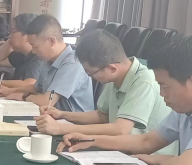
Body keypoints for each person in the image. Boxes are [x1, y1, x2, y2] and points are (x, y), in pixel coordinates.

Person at [61, 35, 192, 165]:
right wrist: (92, 140)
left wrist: (159, 159)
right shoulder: (182, 112)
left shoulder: (146, 82)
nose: (161, 94)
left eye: (165, 86)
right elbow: (146, 142)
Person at [37, 30, 177, 155]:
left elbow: (120, 129)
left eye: (91, 73)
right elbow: (102, 116)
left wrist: (62, 128)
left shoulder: (144, 81)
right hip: (119, 149)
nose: (91, 77)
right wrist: (62, 114)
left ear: (112, 68)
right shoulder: (116, 76)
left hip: (147, 158)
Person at [0, 14, 93, 112]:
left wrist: (24, 97)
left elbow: (46, 101)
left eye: (35, 46)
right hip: (52, 117)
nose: (33, 51)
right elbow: (36, 88)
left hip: (71, 120)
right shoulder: (49, 60)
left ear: (52, 41)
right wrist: (9, 91)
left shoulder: (72, 63)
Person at [0, 13, 44, 89]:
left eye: (13, 31)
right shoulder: (21, 54)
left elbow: (29, 84)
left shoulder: (38, 57)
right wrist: (10, 40)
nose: (9, 36)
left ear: (27, 35)